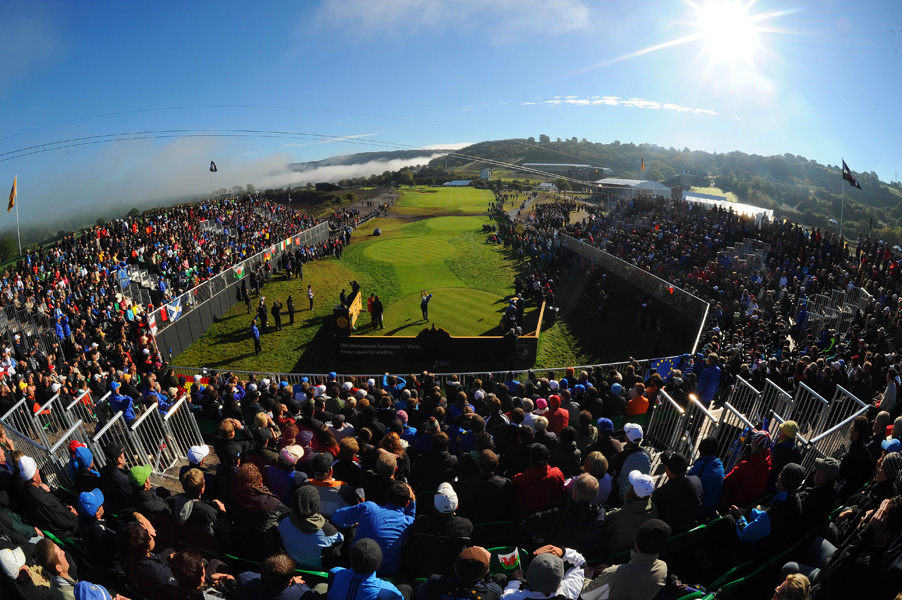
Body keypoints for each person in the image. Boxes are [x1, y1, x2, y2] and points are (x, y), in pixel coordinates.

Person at [330, 481, 416, 577]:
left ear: (386, 497)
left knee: (352, 530)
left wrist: (352, 525)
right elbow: (411, 515)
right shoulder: (408, 522)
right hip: (388, 571)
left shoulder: (369, 508)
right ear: (408, 503)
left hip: (356, 564)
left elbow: (336, 517)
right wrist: (413, 500)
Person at [580, 519, 672, 600]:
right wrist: (610, 574)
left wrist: (586, 577)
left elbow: (586, 596)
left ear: (636, 543)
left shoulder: (613, 574)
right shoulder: (662, 568)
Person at [520, 473, 605, 557]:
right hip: (584, 560)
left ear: (574, 494)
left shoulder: (558, 514)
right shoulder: (600, 516)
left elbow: (526, 524)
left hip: (557, 560)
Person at [278, 486, 343, 572]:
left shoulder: (283, 522)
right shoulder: (327, 530)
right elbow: (340, 539)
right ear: (315, 504)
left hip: (293, 565)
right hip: (318, 569)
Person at [599, 471, 658, 556]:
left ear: (632, 490)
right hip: (636, 554)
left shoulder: (616, 515)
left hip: (613, 554)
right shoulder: (654, 510)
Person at [19, 456, 79, 538]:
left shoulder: (28, 490)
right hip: (66, 531)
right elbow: (64, 521)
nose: (38, 471)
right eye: (36, 470)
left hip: (61, 521)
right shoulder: (41, 499)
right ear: (33, 478)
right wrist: (73, 515)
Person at [326, 538, 406, 600]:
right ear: (379, 563)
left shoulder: (334, 573)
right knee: (405, 588)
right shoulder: (387, 590)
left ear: (350, 558)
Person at [499, 544, 586, 600]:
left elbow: (509, 591)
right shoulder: (570, 592)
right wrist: (562, 552)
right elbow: (581, 563)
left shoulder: (510, 597)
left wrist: (515, 580)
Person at [414, 546, 502, 600]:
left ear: (455, 566)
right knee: (500, 576)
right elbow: (492, 584)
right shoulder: (493, 592)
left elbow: (418, 594)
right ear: (485, 572)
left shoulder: (434, 582)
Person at [719, 429, 772, 511]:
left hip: (734, 503)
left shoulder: (746, 466)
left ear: (755, 444)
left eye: (753, 441)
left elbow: (726, 484)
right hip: (750, 503)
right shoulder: (767, 462)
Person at [651, 451, 703, 533]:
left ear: (670, 472)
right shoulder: (696, 481)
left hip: (669, 532)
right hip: (690, 527)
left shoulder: (660, 493)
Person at [512, 444, 565, 520]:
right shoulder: (557, 474)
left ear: (530, 460)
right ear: (548, 458)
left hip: (526, 521)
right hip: (551, 521)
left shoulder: (518, 479)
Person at [237, 554, 317, 600]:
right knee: (322, 586)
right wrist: (299, 585)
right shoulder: (303, 593)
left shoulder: (244, 579)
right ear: (289, 582)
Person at [687, 436, 725, 519]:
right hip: (712, 508)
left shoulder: (700, 466)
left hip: (699, 510)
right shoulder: (719, 465)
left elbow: (685, 481)